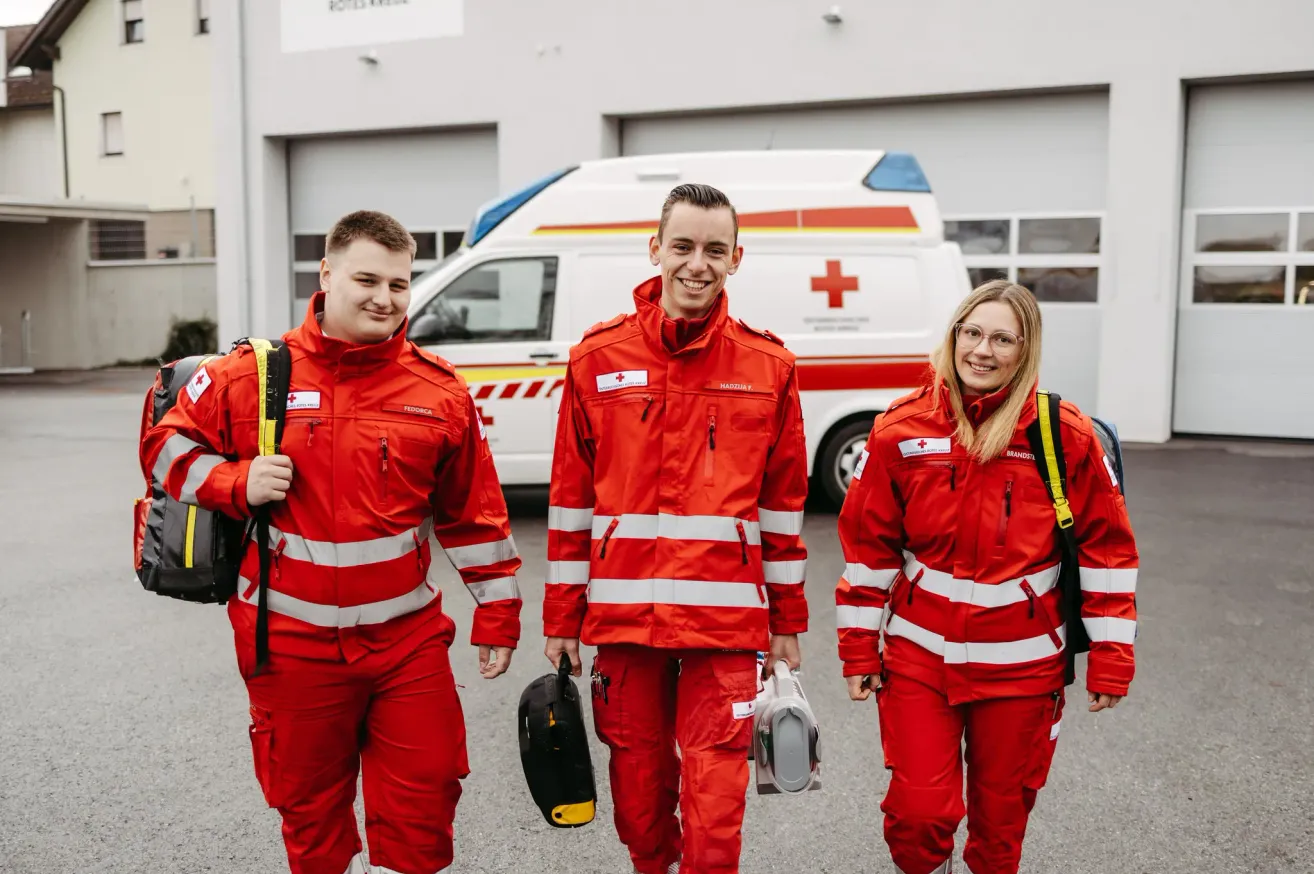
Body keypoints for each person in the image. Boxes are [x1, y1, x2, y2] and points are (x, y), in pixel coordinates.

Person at [140, 210, 523, 874]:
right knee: (311, 818)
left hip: (407, 645)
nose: (384, 298)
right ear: (326, 274)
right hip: (290, 646)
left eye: (400, 285)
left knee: (425, 806)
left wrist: (498, 612)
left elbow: (474, 514)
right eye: (367, 279)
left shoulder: (438, 392)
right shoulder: (252, 376)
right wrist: (235, 481)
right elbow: (163, 445)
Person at [542, 183, 810, 874]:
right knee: (638, 803)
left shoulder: (769, 366)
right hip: (625, 623)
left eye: (715, 249)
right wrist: (561, 618)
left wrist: (787, 619)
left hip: (726, 627)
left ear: (736, 258)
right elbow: (571, 503)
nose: (698, 263)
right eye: (683, 245)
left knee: (716, 813)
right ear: (655, 248)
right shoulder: (595, 360)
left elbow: (783, 507)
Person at [834, 279, 1138, 874]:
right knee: (919, 813)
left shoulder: (1062, 436)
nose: (982, 350)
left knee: (1001, 828)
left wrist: (1112, 656)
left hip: (1024, 666)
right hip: (920, 657)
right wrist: (858, 652)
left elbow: (1107, 551)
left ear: (1026, 351)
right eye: (972, 333)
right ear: (953, 337)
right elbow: (869, 548)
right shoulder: (900, 429)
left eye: (1003, 338)